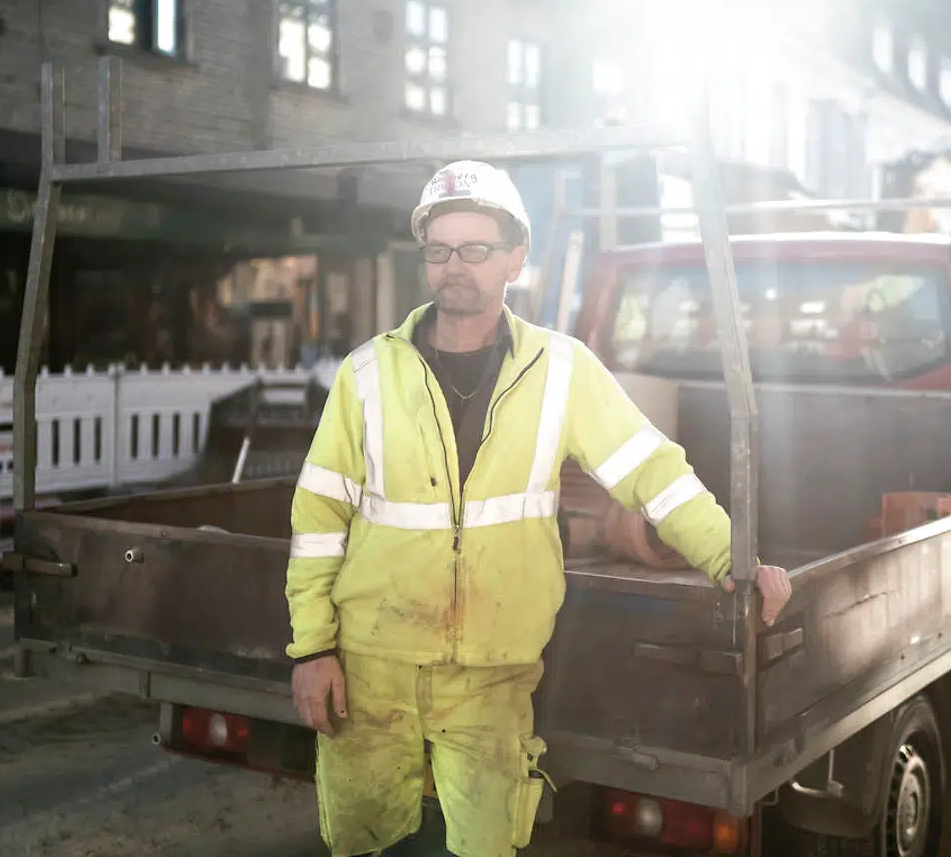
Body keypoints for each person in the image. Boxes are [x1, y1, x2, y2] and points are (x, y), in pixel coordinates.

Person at [286, 160, 794, 857]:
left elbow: (651, 471)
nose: (453, 266)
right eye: (439, 250)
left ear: (515, 258)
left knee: (485, 846)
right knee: (366, 842)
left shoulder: (561, 370)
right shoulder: (367, 374)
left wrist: (732, 556)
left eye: (474, 249)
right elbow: (318, 522)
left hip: (492, 675)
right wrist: (313, 647)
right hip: (372, 665)